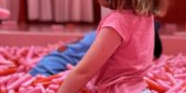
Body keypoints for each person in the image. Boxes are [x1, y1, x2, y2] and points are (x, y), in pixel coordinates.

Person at [31, 22, 163, 77]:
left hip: (44, 66)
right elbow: (83, 73)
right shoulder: (114, 38)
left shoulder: (105, 32)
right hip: (48, 74)